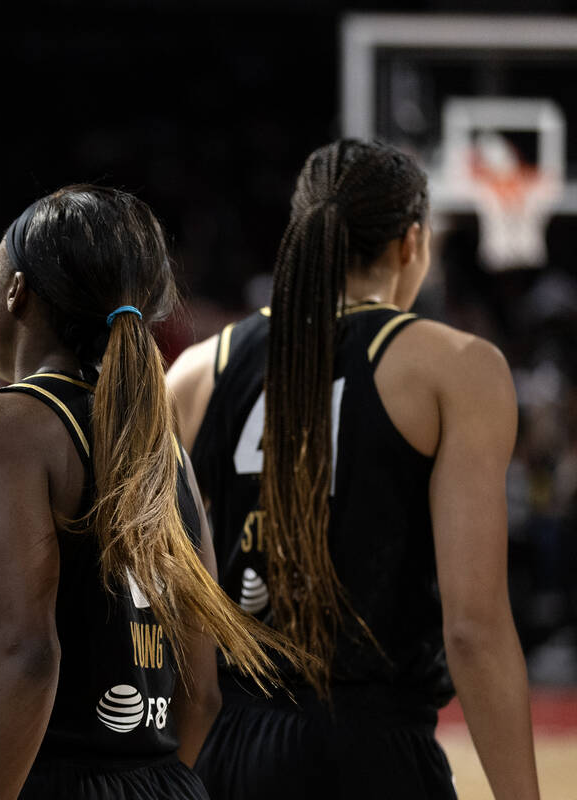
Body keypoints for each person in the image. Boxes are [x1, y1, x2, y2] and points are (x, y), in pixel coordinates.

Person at [166, 139, 539, 799]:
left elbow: (175, 620)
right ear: (411, 244)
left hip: (229, 751)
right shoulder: (457, 368)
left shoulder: (197, 372)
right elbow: (473, 628)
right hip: (375, 749)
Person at [0, 185, 303, 800]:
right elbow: (201, 693)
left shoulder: (1, 427)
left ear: (15, 291)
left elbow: (26, 652)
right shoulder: (158, 440)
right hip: (168, 782)